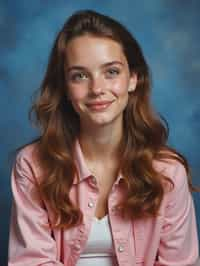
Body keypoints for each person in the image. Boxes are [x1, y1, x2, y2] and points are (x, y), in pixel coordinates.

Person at [8, 9, 199, 266]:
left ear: (133, 79)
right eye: (80, 76)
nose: (97, 89)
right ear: (64, 87)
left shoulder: (168, 171)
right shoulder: (32, 165)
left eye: (111, 72)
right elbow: (30, 262)